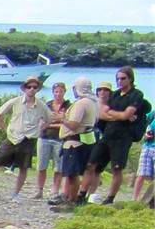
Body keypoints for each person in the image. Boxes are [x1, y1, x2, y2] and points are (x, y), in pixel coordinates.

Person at [0, 76, 50, 202]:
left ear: (37, 89)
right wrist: (6, 128)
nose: (31, 89)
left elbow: (49, 119)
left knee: (23, 167)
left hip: (28, 139)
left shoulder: (41, 106)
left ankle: (16, 194)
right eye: (29, 87)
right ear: (24, 88)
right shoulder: (16, 101)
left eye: (34, 87)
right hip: (12, 137)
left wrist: (40, 129)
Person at [84, 67, 152, 204]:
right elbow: (103, 113)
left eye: (123, 78)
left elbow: (126, 114)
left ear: (130, 79)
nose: (120, 81)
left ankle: (110, 198)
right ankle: (83, 194)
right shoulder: (115, 95)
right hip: (108, 134)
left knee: (117, 168)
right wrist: (120, 116)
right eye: (118, 79)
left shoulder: (136, 95)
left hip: (123, 137)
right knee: (91, 164)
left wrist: (118, 115)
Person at [49, 77, 100, 210]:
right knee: (74, 172)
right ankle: (70, 198)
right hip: (84, 140)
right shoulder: (93, 102)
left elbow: (73, 124)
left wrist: (62, 118)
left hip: (74, 142)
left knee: (72, 174)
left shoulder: (81, 103)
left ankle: (71, 200)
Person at [36, 80, 71, 200]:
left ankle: (54, 190)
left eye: (61, 92)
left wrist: (52, 123)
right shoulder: (47, 105)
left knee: (58, 167)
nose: (58, 94)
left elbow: (67, 124)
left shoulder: (68, 106)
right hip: (44, 137)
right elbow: (41, 122)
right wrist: (57, 121)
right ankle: (39, 190)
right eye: (56, 92)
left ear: (64, 92)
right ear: (53, 92)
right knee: (41, 165)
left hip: (60, 139)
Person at [132, 112, 155, 206]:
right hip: (147, 146)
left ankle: (151, 201)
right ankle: (134, 200)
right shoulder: (153, 114)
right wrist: (145, 135)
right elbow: (143, 122)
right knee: (141, 174)